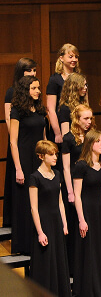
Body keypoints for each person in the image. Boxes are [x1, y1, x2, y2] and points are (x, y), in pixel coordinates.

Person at [72, 130, 101, 297]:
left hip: (100, 211)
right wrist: (81, 219)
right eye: (98, 141)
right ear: (90, 144)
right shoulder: (81, 165)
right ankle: (90, 289)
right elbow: (77, 195)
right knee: (90, 251)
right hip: (88, 211)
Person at [10, 75, 47, 255]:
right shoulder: (17, 110)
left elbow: (44, 136)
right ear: (26, 90)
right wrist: (18, 167)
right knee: (26, 201)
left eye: (38, 88)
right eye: (34, 88)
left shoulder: (40, 109)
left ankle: (41, 237)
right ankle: (24, 244)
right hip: (24, 158)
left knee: (41, 199)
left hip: (40, 157)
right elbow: (13, 141)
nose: (38, 91)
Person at [28, 140, 70, 297]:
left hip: (56, 221)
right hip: (44, 222)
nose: (55, 157)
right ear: (41, 156)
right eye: (51, 154)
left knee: (58, 258)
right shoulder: (34, 178)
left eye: (56, 154)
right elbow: (34, 208)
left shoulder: (57, 174)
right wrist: (40, 232)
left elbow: (60, 201)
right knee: (45, 260)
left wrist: (65, 223)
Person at [60, 103, 95, 266]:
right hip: (74, 184)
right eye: (85, 119)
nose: (89, 122)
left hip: (90, 182)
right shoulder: (68, 138)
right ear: (77, 119)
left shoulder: (91, 136)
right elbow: (66, 168)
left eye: (90, 118)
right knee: (76, 224)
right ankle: (75, 264)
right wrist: (70, 191)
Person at [3, 58, 36, 228]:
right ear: (21, 72)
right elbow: (9, 120)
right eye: (29, 70)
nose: (32, 74)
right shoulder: (11, 92)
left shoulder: (34, 93)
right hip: (18, 143)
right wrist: (17, 141)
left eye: (34, 70)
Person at [46, 43, 81, 144]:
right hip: (61, 124)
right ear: (61, 58)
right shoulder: (54, 79)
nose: (74, 59)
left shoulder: (80, 78)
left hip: (78, 124)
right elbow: (51, 109)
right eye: (70, 56)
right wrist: (57, 133)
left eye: (76, 57)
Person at [57, 72, 89, 142]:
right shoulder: (65, 108)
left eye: (86, 85)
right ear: (74, 87)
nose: (85, 88)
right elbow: (65, 135)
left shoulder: (83, 104)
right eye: (82, 85)